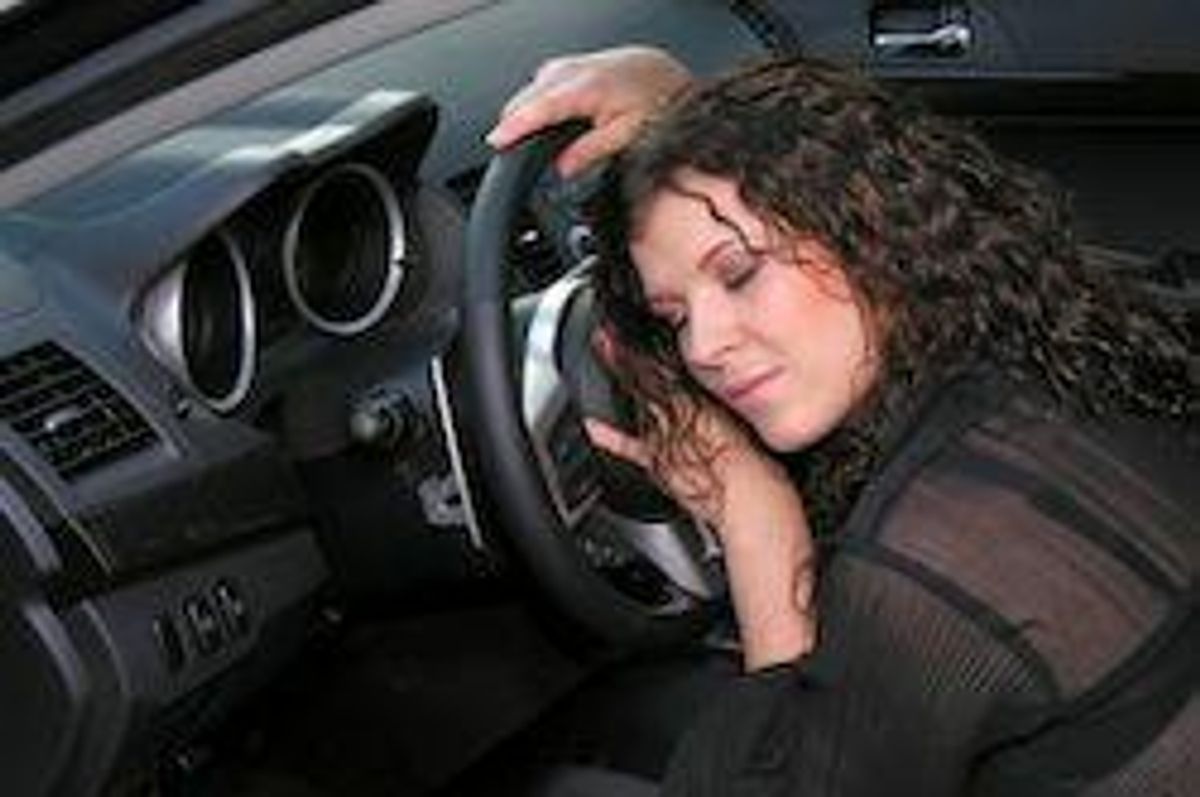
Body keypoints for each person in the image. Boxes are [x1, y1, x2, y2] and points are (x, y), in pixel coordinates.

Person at [490, 47, 1199, 795]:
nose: (703, 345)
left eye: (738, 274)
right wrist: (690, 115)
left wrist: (754, 519)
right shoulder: (1079, 328)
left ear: (866, 225)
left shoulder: (934, 557)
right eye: (674, 317)